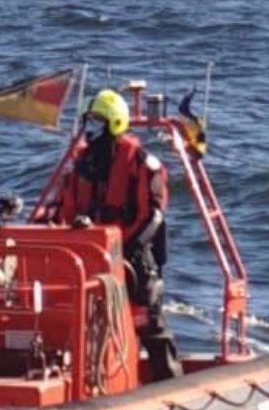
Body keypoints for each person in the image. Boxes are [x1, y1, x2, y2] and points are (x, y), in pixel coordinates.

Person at [48, 88, 184, 381]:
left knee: (149, 325)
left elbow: (153, 215)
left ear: (114, 123)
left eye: (98, 121)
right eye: (89, 120)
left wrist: (123, 250)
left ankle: (170, 383)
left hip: (130, 259)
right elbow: (61, 209)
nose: (91, 128)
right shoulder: (80, 166)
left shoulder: (141, 164)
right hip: (83, 260)